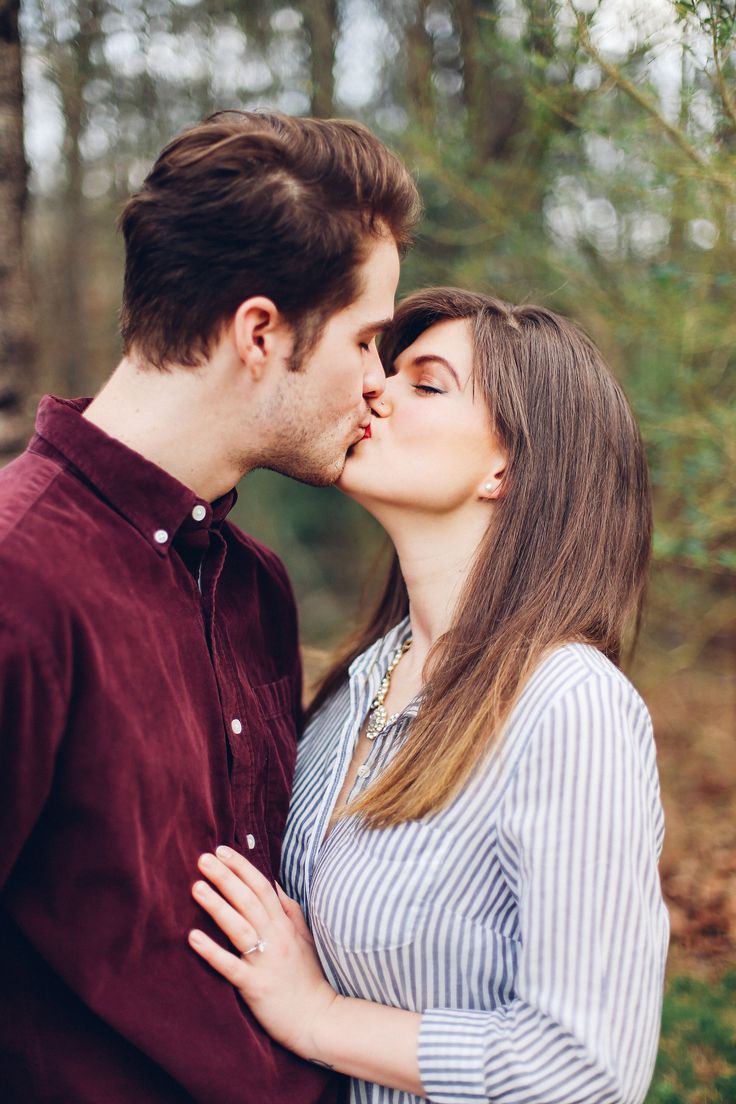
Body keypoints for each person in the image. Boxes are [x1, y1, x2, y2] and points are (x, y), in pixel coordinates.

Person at [0, 110, 420, 1103]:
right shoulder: (19, 580)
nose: (377, 385)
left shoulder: (251, 584)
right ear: (260, 333)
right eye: (365, 340)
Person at [188, 287, 670, 1104]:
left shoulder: (567, 704)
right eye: (386, 365)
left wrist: (317, 1017)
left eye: (426, 381)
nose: (375, 387)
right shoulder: (356, 686)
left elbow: (585, 1067)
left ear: (506, 468)